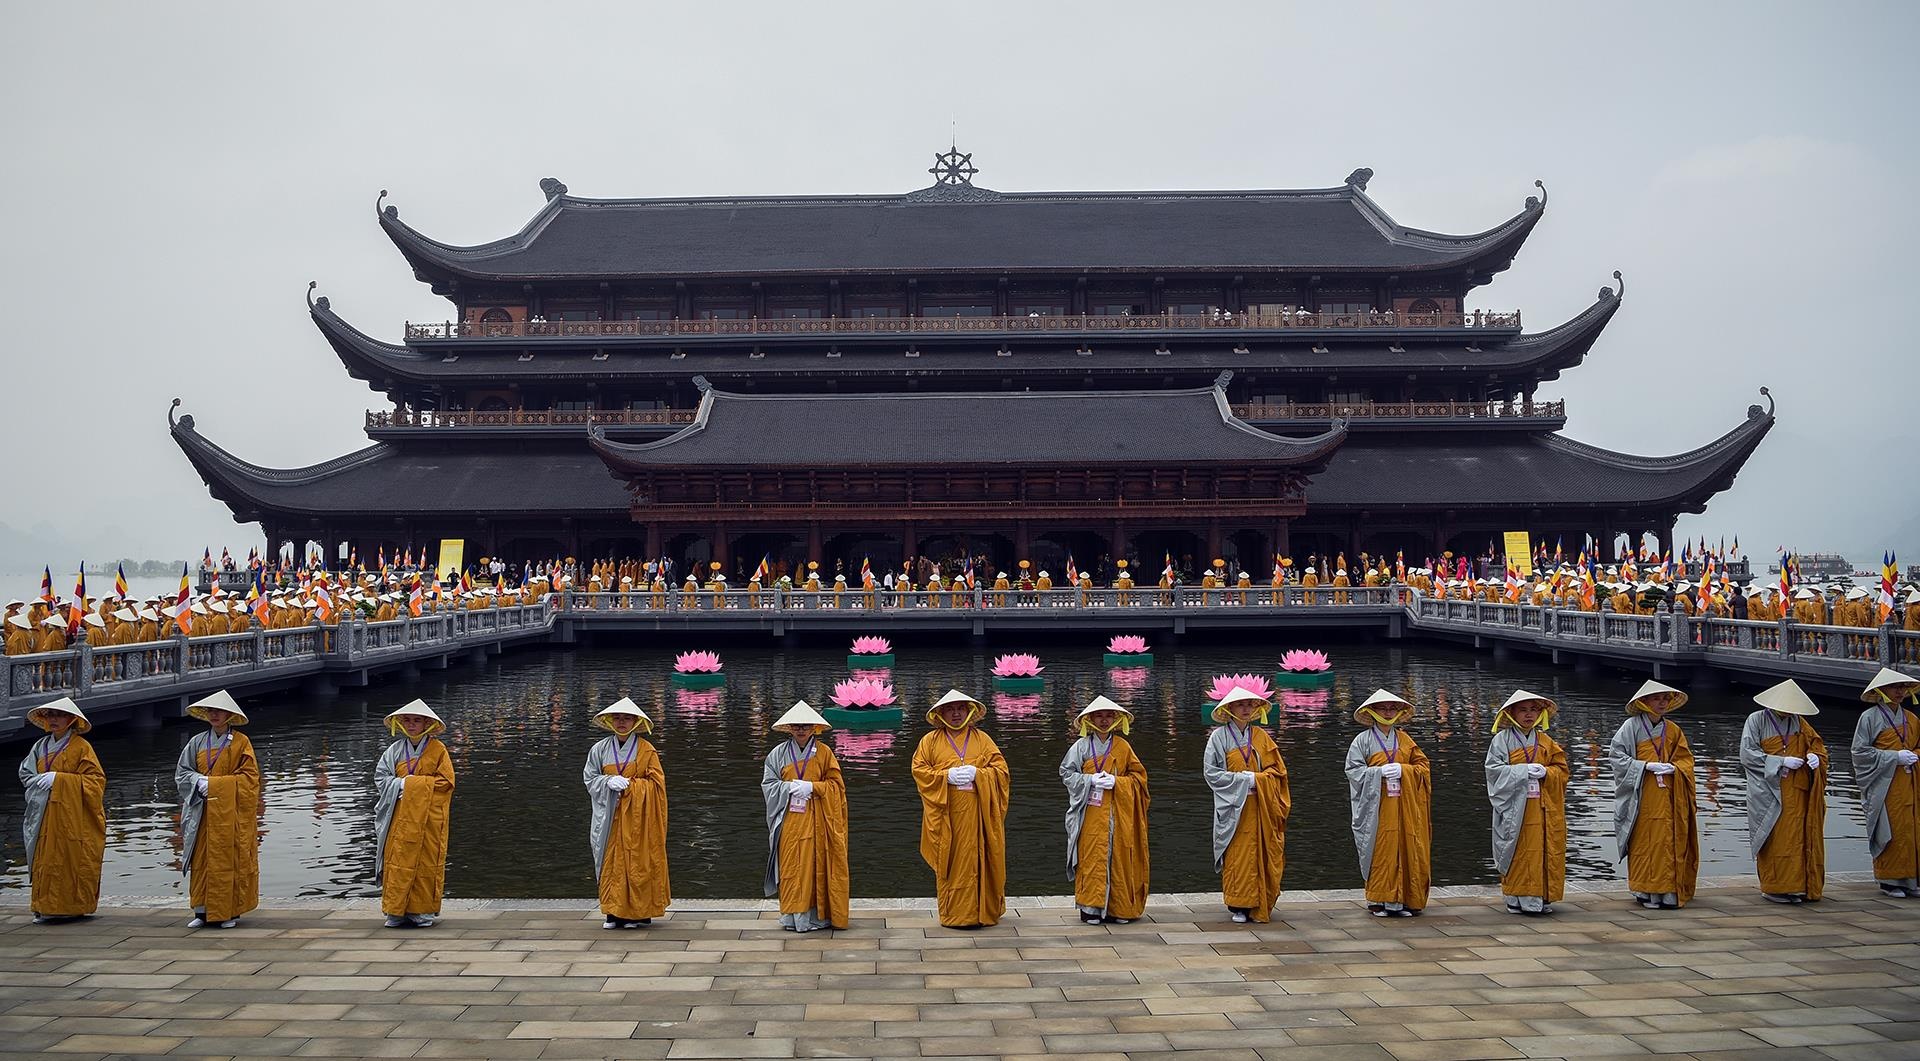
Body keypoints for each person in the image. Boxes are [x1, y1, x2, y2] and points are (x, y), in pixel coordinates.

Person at [910, 689, 1010, 928]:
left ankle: (982, 912)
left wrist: (980, 774)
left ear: (969, 711)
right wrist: (946, 776)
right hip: (947, 816)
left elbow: (1002, 772)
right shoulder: (929, 741)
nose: (955, 714)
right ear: (941, 713)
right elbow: (919, 772)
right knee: (952, 862)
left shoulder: (983, 739)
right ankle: (955, 914)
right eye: (950, 709)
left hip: (978, 816)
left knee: (980, 858)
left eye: (960, 709)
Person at [1609, 680, 1699, 909]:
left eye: (1665, 699)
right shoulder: (1631, 727)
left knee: (1668, 841)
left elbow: (1686, 759)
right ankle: (1645, 890)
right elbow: (1617, 757)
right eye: (1657, 698)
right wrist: (1643, 767)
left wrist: (1675, 768)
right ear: (1644, 702)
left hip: (1669, 796)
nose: (1662, 703)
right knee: (1645, 843)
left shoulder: (1673, 730)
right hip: (1642, 796)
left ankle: (1668, 892)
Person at [174, 690, 260, 928]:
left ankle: (229, 912)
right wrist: (197, 782)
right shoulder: (197, 742)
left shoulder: (242, 743)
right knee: (202, 859)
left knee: (228, 859)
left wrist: (216, 785)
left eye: (219, 710)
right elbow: (182, 772)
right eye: (211, 710)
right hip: (202, 812)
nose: (214, 714)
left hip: (230, 814)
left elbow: (250, 779)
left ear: (229, 715)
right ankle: (201, 912)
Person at [1060, 695, 1150, 925]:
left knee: (1120, 857)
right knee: (1092, 856)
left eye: (1108, 715)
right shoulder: (1080, 746)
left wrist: (1117, 782)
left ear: (1116, 719)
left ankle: (1119, 908)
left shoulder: (1123, 746)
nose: (1103, 720)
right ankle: (1091, 908)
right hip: (1089, 813)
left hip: (1119, 813)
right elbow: (1066, 774)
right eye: (1099, 716)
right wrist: (1090, 780)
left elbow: (1139, 778)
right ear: (1089, 720)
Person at [1203, 686, 1290, 923]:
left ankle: (1261, 901)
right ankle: (1239, 904)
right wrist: (1242, 780)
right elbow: (1211, 773)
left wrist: (1260, 779)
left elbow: (1278, 772)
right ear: (1229, 708)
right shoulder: (1218, 738)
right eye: (1240, 705)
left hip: (1261, 806)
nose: (1245, 709)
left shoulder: (1262, 737)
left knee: (1262, 851)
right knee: (1238, 853)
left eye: (1250, 705)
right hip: (1233, 808)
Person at [16, 698, 106, 925]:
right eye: (50, 715)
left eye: (59, 715)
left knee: (71, 859)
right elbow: (26, 775)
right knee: (44, 859)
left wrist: (60, 779)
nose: (54, 720)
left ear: (71, 720)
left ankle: (71, 907)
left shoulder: (82, 747)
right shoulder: (40, 746)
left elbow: (96, 782)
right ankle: (43, 906)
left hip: (72, 816)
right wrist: (40, 781)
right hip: (44, 815)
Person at [760, 701, 849, 932]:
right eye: (796, 726)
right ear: (789, 728)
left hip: (818, 819)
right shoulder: (777, 754)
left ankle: (817, 917)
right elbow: (768, 785)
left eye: (806, 726)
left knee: (815, 866)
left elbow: (836, 787)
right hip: (789, 820)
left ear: (814, 729)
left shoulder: (825, 753)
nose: (801, 730)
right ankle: (792, 916)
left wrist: (812, 787)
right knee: (792, 866)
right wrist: (787, 788)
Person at [584, 697, 671, 928]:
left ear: (635, 722)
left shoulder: (646, 749)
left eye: (627, 718)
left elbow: (657, 785)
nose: (622, 722)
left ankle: (637, 913)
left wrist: (634, 787)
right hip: (609, 817)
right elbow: (589, 778)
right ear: (611, 721)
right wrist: (608, 781)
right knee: (610, 862)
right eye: (618, 718)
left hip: (639, 820)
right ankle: (613, 913)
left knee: (639, 861)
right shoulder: (599, 749)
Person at [1344, 689, 1431, 916]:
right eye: (1383, 708)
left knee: (1406, 846)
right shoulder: (1361, 741)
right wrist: (1378, 773)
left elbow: (1423, 769)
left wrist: (1404, 770)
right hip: (1377, 808)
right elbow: (1353, 772)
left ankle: (1404, 900)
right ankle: (1380, 900)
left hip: (1405, 808)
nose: (1388, 712)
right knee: (1380, 849)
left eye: (1392, 708)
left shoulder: (1405, 740)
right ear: (1372, 712)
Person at [1740, 679, 1827, 903]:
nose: (1789, 711)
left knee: (1798, 837)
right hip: (1769, 792)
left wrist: (1815, 757)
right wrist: (1779, 761)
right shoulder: (1756, 720)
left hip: (1797, 791)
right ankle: (1775, 887)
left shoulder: (1800, 723)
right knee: (1776, 837)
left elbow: (1816, 745)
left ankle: (1798, 885)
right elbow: (1747, 754)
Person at [373, 699, 456, 928]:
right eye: (407, 720)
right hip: (401, 817)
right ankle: (395, 910)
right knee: (398, 859)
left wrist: (412, 785)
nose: (411, 725)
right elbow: (381, 778)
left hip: (429, 818)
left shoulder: (438, 750)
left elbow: (446, 783)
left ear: (426, 724)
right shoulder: (395, 750)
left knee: (426, 862)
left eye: (416, 721)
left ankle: (422, 912)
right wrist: (400, 786)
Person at [1484, 690, 1568, 915]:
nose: (1529, 715)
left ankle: (1541, 896)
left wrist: (1547, 773)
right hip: (1516, 808)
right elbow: (1493, 772)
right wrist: (1523, 771)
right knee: (1519, 849)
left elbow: (1561, 770)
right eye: (1523, 710)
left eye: (1534, 710)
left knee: (1543, 849)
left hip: (1542, 808)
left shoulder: (1546, 741)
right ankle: (1515, 897)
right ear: (1511, 713)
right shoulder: (1501, 740)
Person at [1853, 667, 1920, 897]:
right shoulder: (1869, 718)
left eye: (1903, 687)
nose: (1900, 691)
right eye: (1895, 687)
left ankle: (1911, 879)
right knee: (1889, 828)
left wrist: (1915, 756)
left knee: (1911, 829)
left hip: (1910, 783)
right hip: (1884, 784)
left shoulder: (1911, 719)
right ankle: (1890, 880)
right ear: (1881, 690)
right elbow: (1860, 753)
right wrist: (1894, 757)